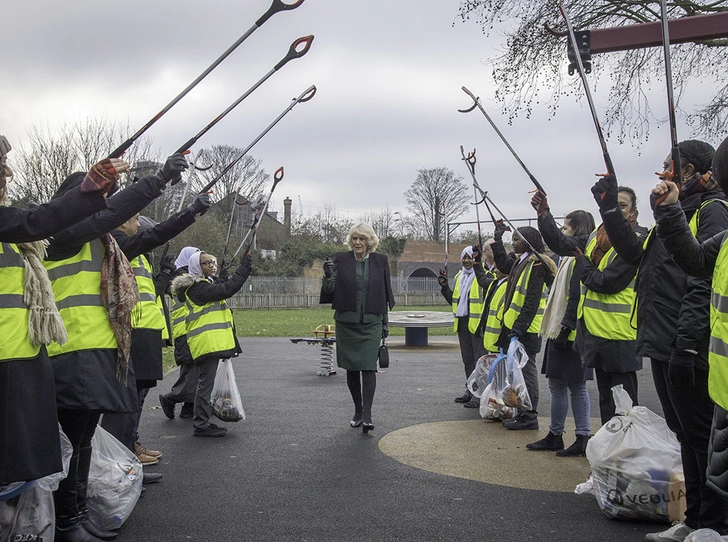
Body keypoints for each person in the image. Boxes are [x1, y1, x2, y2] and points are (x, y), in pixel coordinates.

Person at [43, 153, 188, 542]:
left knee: (84, 439)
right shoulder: (62, 236)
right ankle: (67, 523)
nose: (101, 205)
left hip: (99, 349)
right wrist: (157, 180)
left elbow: (144, 234)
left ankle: (78, 513)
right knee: (72, 442)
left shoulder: (102, 241)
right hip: (71, 349)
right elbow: (109, 216)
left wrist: (187, 211)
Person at [0, 137, 126, 489]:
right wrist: (94, 189)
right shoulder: (42, 231)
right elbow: (40, 220)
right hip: (52, 352)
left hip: (27, 355)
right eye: (0, 166)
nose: (6, 174)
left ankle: (70, 517)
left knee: (56, 451)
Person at [652, 136, 728, 540]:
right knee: (695, 440)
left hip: (694, 350)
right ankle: (699, 522)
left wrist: (686, 343)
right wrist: (667, 212)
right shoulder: (711, 222)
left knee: (703, 444)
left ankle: (710, 524)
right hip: (709, 366)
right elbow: (697, 261)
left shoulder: (715, 210)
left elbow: (696, 288)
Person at [101, 195, 210, 467]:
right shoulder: (121, 247)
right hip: (132, 329)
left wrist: (163, 272)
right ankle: (123, 452)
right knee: (128, 396)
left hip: (149, 329)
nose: (139, 227)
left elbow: (154, 290)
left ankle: (131, 443)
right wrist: (190, 211)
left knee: (139, 394)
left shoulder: (142, 259)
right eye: (137, 221)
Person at [533, 185, 646, 425]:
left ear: (634, 213)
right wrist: (544, 213)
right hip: (596, 334)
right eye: (612, 204)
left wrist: (582, 263)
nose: (615, 210)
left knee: (624, 408)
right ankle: (608, 454)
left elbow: (604, 282)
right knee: (606, 404)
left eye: (622, 206)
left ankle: (626, 456)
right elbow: (560, 242)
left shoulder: (636, 242)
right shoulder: (596, 237)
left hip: (621, 336)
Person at [526, 210, 596, 456]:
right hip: (561, 330)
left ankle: (581, 435)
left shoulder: (578, 258)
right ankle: (557, 433)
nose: (562, 233)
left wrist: (565, 329)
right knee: (558, 385)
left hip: (569, 332)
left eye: (566, 229)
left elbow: (575, 297)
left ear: (577, 230)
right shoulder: (565, 259)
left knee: (575, 387)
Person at [320, 223, 395, 433]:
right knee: (352, 368)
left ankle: (368, 415)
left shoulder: (380, 261)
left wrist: (385, 322)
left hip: (372, 321)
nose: (358, 243)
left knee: (369, 367)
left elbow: (385, 292)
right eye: (354, 239)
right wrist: (327, 276)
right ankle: (358, 411)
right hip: (347, 322)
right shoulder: (341, 260)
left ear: (370, 241)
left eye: (362, 239)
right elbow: (329, 289)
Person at [170, 251, 250, 437]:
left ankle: (202, 420)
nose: (212, 265)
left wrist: (223, 276)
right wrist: (244, 269)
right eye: (206, 263)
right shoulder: (197, 288)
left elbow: (220, 286)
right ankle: (201, 423)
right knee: (205, 385)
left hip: (208, 342)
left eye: (213, 262)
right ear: (197, 267)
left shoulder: (202, 285)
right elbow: (226, 289)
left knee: (205, 383)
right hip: (206, 343)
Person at [491, 225, 555, 430]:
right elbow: (502, 262)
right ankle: (522, 411)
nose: (513, 242)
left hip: (527, 329)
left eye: (516, 239)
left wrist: (518, 329)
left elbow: (531, 301)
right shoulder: (521, 262)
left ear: (528, 242)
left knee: (527, 373)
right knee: (517, 374)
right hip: (517, 327)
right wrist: (497, 239)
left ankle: (530, 415)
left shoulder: (535, 264)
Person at [438, 246, 494, 408]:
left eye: (470, 257)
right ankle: (470, 390)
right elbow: (455, 301)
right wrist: (444, 287)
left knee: (479, 361)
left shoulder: (482, 276)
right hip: (463, 323)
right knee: (468, 360)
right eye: (464, 257)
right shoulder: (459, 276)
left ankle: (480, 395)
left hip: (477, 325)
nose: (467, 261)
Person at [159, 246, 202, 420]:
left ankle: (189, 407)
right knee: (191, 372)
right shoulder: (184, 279)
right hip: (187, 330)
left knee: (195, 370)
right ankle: (171, 398)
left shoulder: (182, 277)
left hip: (189, 329)